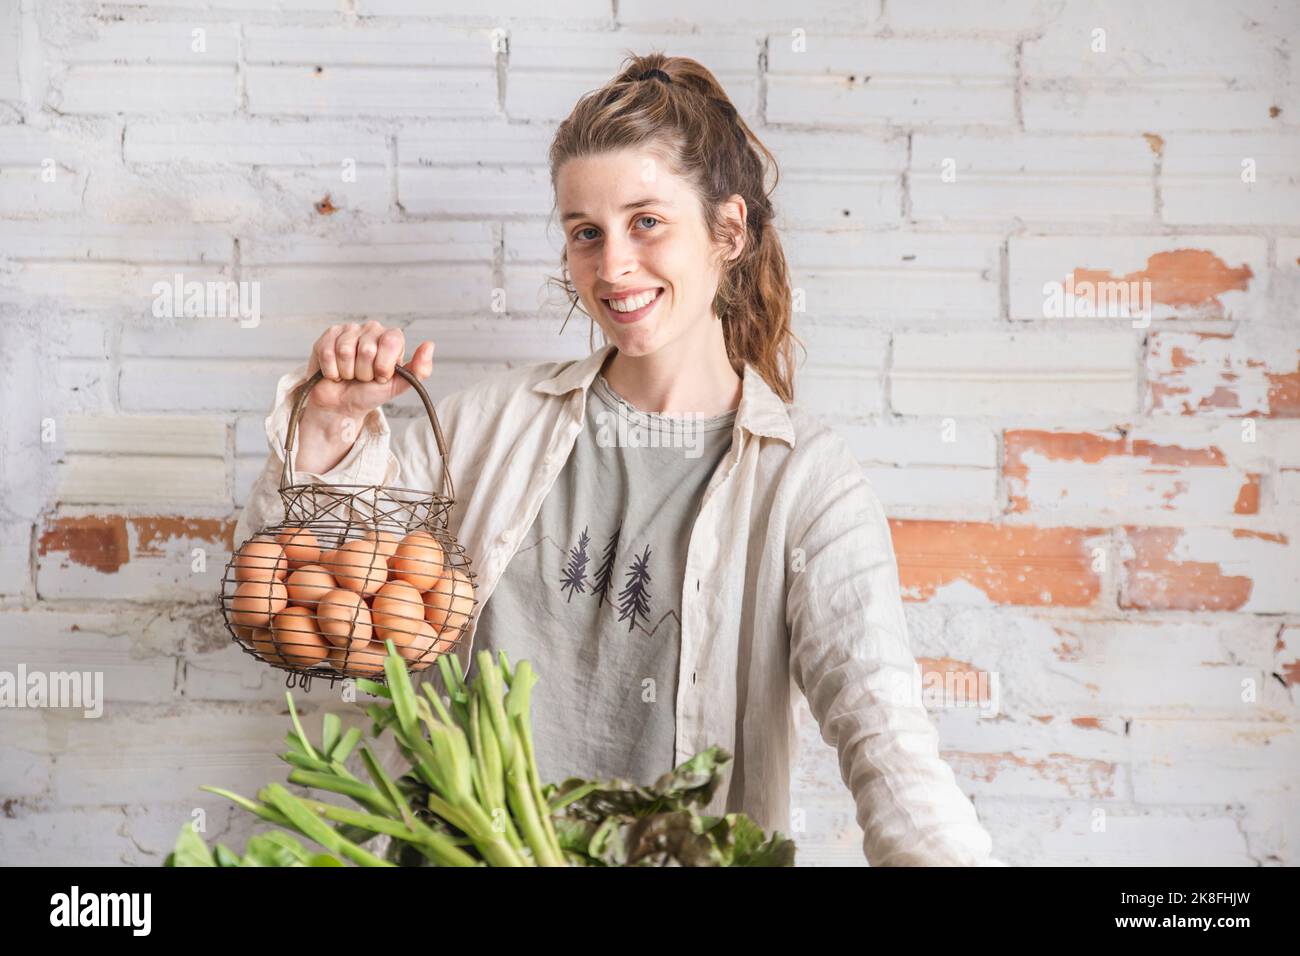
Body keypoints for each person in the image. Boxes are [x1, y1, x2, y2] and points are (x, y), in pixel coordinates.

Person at [234, 52, 1003, 866]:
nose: (613, 267)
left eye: (647, 222)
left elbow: (882, 729)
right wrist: (330, 424)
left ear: (729, 230)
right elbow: (300, 582)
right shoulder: (492, 425)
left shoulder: (803, 483)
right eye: (585, 234)